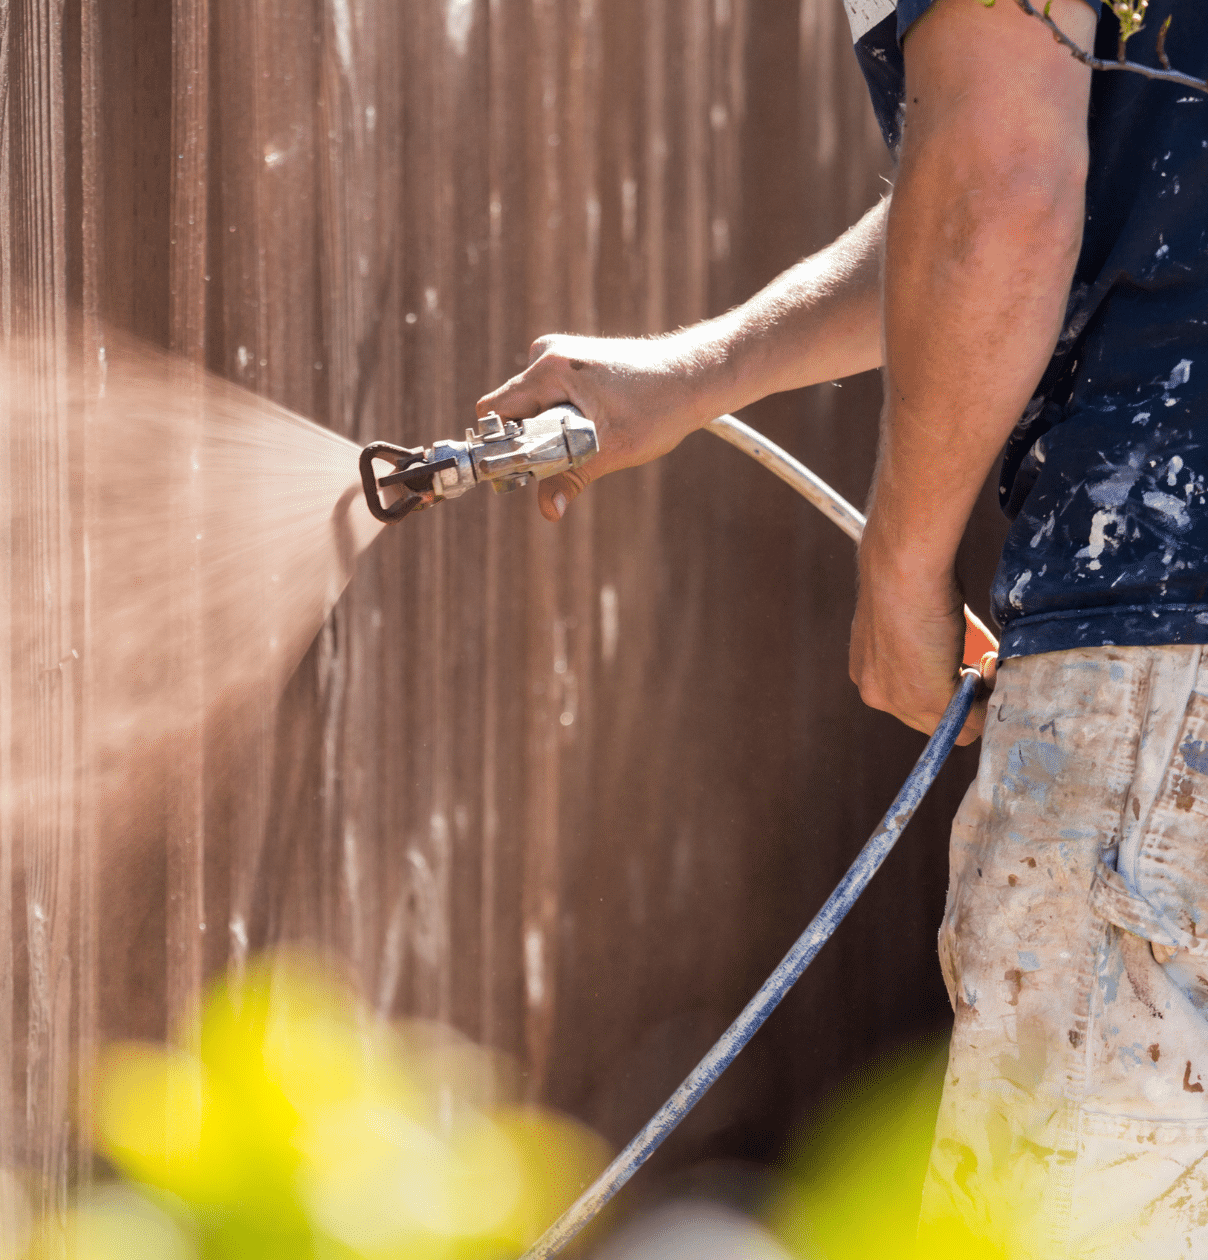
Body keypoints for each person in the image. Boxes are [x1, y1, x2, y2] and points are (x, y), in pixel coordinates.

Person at [479, 0, 1208, 1253]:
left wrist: (902, 567)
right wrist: (699, 369)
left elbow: (1000, 184)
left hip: (1159, 622)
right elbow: (1026, 168)